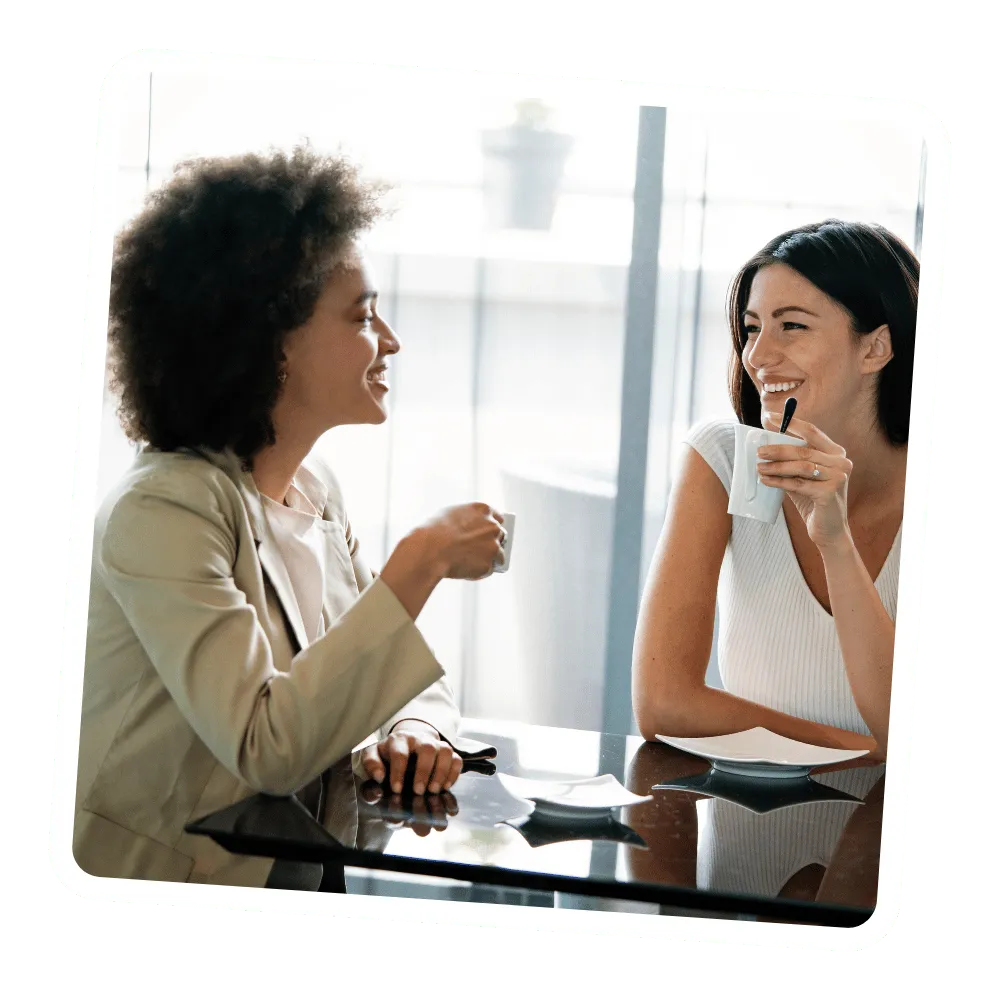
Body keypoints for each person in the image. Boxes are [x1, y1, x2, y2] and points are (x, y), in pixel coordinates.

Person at [74, 148, 503, 888]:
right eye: (363, 316)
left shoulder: (314, 489)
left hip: (301, 869)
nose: (390, 340)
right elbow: (266, 748)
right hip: (170, 889)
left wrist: (416, 727)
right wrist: (423, 558)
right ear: (271, 341)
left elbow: (381, 665)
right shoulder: (164, 511)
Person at [632, 220, 918, 759]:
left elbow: (920, 732)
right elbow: (664, 703)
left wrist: (835, 542)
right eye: (752, 328)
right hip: (744, 816)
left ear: (876, 347)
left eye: (792, 326)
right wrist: (868, 753)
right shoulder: (724, 459)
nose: (758, 356)